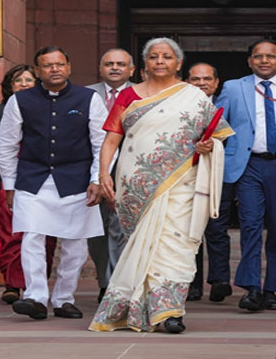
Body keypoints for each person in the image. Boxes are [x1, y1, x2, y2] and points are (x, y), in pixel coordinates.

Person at [89, 38, 233, 333]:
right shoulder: (128, 96)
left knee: (175, 245)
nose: (160, 61)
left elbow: (217, 136)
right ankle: (134, 307)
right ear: (145, 64)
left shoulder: (193, 96)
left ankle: (170, 312)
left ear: (178, 63)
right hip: (135, 183)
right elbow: (111, 140)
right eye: (153, 56)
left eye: (167, 57)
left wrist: (208, 146)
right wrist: (103, 173)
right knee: (140, 246)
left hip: (181, 183)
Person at [0, 46, 106, 320]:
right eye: (47, 65)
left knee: (76, 244)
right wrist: (9, 185)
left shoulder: (89, 99)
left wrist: (97, 179)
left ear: (69, 67)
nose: (54, 69)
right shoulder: (19, 101)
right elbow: (6, 146)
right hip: (33, 181)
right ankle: (35, 297)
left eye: (59, 64)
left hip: (78, 181)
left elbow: (101, 144)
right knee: (32, 237)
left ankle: (64, 299)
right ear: (37, 71)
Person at [216, 39, 276, 312]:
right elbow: (219, 124)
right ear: (250, 61)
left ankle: (272, 289)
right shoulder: (234, 88)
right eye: (258, 57)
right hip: (248, 166)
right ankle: (252, 288)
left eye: (270, 56)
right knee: (250, 225)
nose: (264, 61)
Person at [0, 65, 56, 304]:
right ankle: (12, 284)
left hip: (43, 178)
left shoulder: (49, 109)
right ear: (10, 85)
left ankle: (36, 284)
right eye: (18, 80)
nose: (24, 83)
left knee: (44, 233)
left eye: (30, 79)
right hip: (9, 179)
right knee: (12, 233)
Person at [86, 48, 136, 303]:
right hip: (93, 169)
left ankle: (115, 284)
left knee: (120, 227)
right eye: (109, 64)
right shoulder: (85, 94)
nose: (114, 68)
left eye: (120, 64)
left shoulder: (142, 93)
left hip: (128, 169)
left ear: (131, 70)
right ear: (101, 68)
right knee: (96, 230)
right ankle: (104, 280)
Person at [185, 62, 220, 301]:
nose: (201, 83)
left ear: (216, 82)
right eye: (195, 79)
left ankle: (219, 282)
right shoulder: (180, 106)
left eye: (206, 78)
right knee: (190, 231)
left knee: (217, 231)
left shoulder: (227, 105)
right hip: (187, 177)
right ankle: (192, 284)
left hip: (218, 175)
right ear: (187, 82)